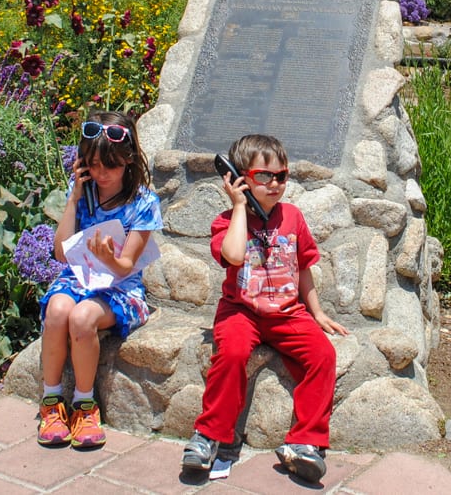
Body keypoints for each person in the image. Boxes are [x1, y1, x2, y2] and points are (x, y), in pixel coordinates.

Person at [181, 134, 347, 484]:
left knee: (323, 356)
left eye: (281, 176)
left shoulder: (293, 218)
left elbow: (303, 267)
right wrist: (240, 206)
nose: (274, 184)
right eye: (263, 176)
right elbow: (235, 256)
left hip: (288, 312)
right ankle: (210, 435)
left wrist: (316, 312)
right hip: (241, 311)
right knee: (233, 353)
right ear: (239, 178)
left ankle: (306, 442)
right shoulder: (226, 221)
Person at [36, 111, 162, 450]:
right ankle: (50, 402)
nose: (102, 173)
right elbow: (61, 253)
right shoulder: (84, 192)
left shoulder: (144, 203)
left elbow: (125, 266)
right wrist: (75, 198)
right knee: (59, 310)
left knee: (82, 317)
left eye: (111, 165)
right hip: (79, 278)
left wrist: (108, 256)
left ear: (129, 160)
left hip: (121, 288)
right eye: (93, 165)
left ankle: (84, 404)